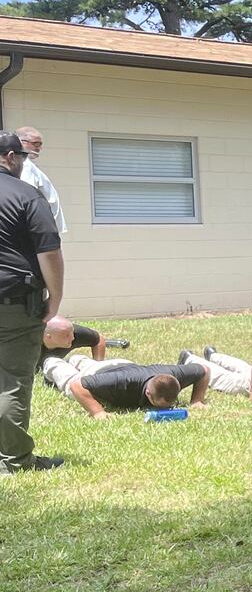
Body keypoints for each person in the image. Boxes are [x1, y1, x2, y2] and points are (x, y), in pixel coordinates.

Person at [0, 132, 64, 473]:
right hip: (13, 303)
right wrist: (55, 299)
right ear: (10, 157)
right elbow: (49, 253)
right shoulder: (27, 195)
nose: (24, 163)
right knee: (12, 380)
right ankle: (15, 461)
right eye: (22, 157)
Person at [43, 357, 208, 418]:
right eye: (160, 405)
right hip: (105, 372)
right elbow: (77, 386)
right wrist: (98, 412)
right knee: (67, 379)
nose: (166, 408)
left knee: (81, 361)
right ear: (148, 393)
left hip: (122, 364)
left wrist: (197, 400)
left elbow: (204, 370)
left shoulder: (174, 375)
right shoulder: (124, 382)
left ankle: (77, 359)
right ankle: (51, 361)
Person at [15, 127, 65, 235]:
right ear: (21, 142)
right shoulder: (25, 166)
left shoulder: (29, 165)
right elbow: (27, 197)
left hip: (45, 228)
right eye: (36, 144)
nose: (40, 148)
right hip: (41, 230)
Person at [40, 316, 123, 366]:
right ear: (48, 337)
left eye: (71, 332)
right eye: (67, 335)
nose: (72, 338)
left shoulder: (74, 333)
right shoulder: (29, 342)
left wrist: (97, 365)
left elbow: (98, 339)